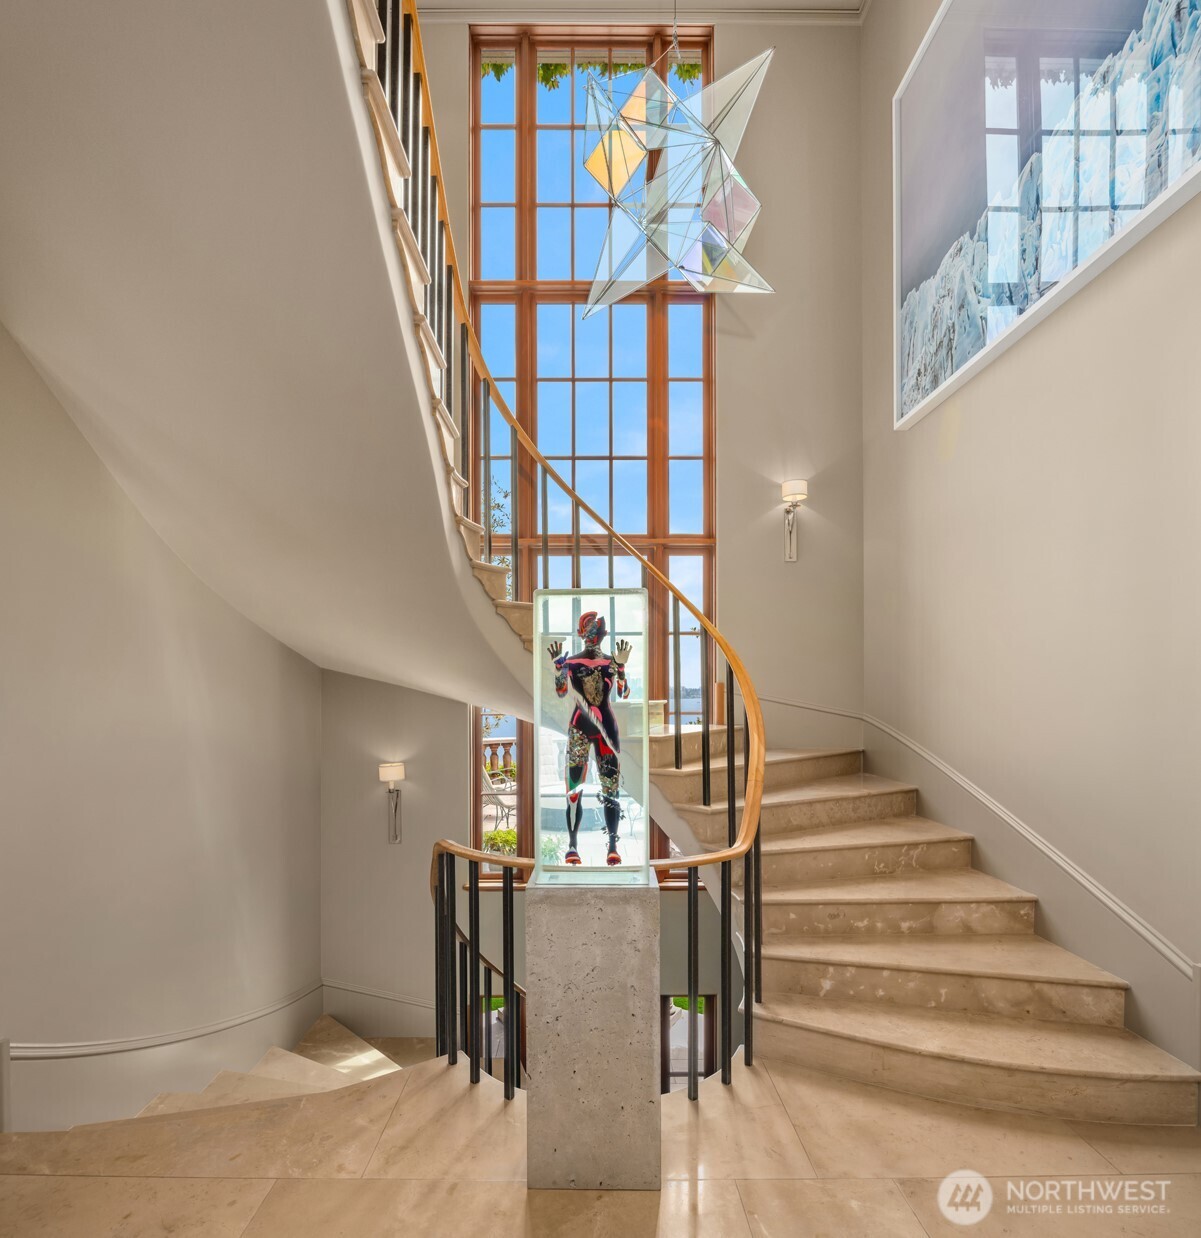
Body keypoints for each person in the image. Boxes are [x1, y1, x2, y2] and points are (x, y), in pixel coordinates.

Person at [547, 611, 631, 866]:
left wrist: (622, 667)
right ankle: (573, 846)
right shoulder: (571, 662)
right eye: (591, 630)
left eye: (599, 630)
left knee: (611, 790)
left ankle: (613, 846)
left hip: (606, 728)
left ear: (603, 634)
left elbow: (624, 693)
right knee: (573, 790)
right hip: (580, 727)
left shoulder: (611, 662)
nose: (595, 634)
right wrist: (559, 668)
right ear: (583, 633)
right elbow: (561, 692)